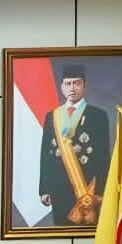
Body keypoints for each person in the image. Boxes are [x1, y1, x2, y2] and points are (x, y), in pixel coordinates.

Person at [38, 64, 112, 228]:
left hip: (87, 190)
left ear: (84, 85)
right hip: (58, 188)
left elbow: (104, 156)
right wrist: (44, 188)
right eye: (68, 83)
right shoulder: (52, 117)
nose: (72, 88)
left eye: (76, 83)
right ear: (62, 87)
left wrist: (100, 191)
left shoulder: (97, 115)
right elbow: (45, 155)